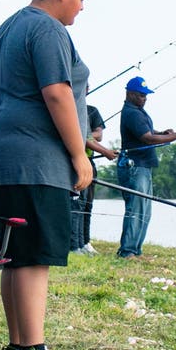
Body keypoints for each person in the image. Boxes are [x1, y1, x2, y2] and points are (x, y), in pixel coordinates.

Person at [0, 0, 96, 350]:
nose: (81, 8)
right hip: (36, 162)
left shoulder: (5, 28)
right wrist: (79, 155)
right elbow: (57, 92)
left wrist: (9, 121)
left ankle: (18, 348)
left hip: (1, 156)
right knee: (33, 256)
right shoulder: (47, 28)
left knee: (14, 254)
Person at [116, 76, 176, 259]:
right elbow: (148, 138)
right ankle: (127, 251)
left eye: (146, 95)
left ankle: (135, 250)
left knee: (145, 210)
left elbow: (148, 133)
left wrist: (163, 133)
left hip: (143, 166)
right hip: (135, 167)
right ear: (130, 94)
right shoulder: (132, 113)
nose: (145, 98)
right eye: (141, 95)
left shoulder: (137, 111)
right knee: (136, 209)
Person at [70, 103, 115, 255]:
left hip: (89, 161)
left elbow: (93, 137)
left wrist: (87, 137)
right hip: (74, 163)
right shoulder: (73, 109)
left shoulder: (90, 111)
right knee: (77, 204)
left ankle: (84, 242)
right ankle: (74, 245)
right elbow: (82, 137)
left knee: (86, 204)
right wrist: (105, 151)